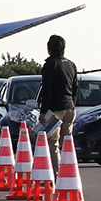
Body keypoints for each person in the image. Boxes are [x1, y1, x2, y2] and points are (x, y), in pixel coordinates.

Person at [37, 34, 78, 174]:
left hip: (55, 109)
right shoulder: (71, 65)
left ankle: (57, 174)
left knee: (53, 143)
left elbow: (47, 90)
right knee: (67, 142)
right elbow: (75, 88)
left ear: (49, 49)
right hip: (70, 107)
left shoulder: (50, 65)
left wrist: (43, 111)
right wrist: (72, 103)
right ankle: (70, 173)